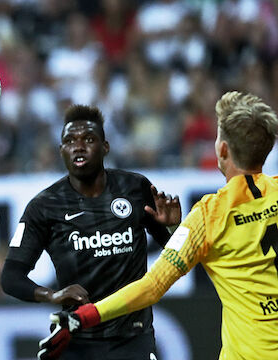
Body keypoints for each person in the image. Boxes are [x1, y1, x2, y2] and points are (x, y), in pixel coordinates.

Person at [39, 91, 278, 360]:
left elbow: (152, 286)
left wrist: (83, 317)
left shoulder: (209, 214)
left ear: (222, 149)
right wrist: (175, 232)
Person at [1, 104, 181, 360]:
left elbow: (179, 255)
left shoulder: (135, 188)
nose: (79, 146)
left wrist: (173, 227)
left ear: (105, 147)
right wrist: (52, 295)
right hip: (76, 340)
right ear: (61, 150)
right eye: (70, 141)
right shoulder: (44, 206)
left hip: (132, 338)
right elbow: (11, 277)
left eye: (88, 139)